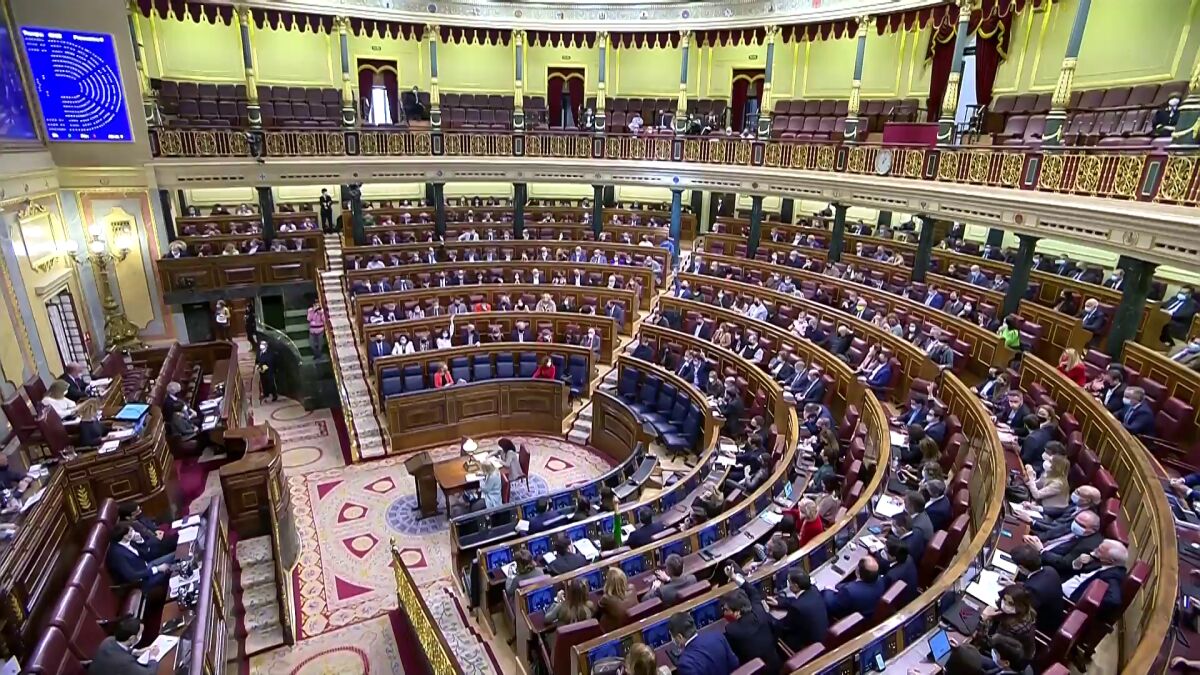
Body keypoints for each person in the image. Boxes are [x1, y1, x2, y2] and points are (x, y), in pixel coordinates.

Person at [1022, 510, 1103, 577]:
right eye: (1076, 521)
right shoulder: (1073, 525)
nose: (1076, 525)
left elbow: (1064, 564)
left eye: (1081, 525)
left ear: (1093, 530)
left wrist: (1041, 551)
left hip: (1047, 565)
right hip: (1037, 548)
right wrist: (1034, 538)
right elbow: (1051, 533)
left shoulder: (1088, 545)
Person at [1062, 539, 1128, 619]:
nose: (1095, 550)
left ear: (1110, 561)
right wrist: (1078, 562)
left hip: (1066, 600)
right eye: (1099, 547)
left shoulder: (1112, 576)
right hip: (1066, 581)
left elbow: (1114, 600)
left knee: (1049, 572)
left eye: (1100, 550)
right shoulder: (1102, 561)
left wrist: (1084, 604)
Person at [972, 584, 1036, 664]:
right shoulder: (1023, 613)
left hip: (1008, 660)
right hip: (1009, 649)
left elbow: (985, 642)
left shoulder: (1014, 628)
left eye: (1010, 603)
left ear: (1019, 606)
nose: (1004, 604)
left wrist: (983, 619)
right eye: (1004, 599)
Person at [721, 588, 780, 673]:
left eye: (726, 610)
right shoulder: (759, 611)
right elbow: (754, 593)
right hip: (775, 663)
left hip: (755, 670)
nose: (724, 613)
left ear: (737, 612)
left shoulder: (731, 629)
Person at [1010, 544, 1064, 634]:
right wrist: (1014, 585)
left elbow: (1020, 611)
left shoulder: (1033, 590)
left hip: (1043, 628)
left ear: (1021, 568)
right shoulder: (1050, 570)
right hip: (1056, 617)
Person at [107, 523, 173, 592]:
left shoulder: (129, 541)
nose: (134, 532)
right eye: (131, 531)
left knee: (174, 556)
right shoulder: (117, 554)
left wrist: (140, 541)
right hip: (142, 581)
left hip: (147, 567)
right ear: (125, 536)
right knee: (172, 570)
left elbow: (146, 555)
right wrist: (157, 569)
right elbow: (132, 575)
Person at [667, 611, 739, 675]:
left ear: (679, 637)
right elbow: (734, 663)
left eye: (672, 636)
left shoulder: (685, 664)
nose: (672, 639)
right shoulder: (717, 636)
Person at [89, 615, 162, 675]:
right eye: (140, 633)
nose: (141, 635)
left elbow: (120, 650)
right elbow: (149, 673)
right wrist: (152, 657)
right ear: (132, 638)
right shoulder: (125, 663)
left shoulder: (109, 640)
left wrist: (135, 652)